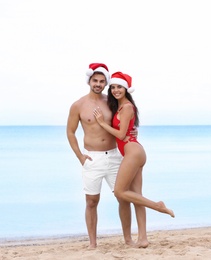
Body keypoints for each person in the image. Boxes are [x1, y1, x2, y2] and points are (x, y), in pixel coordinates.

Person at [93, 71, 175, 248]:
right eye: (113, 87)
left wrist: (102, 124)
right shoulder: (122, 107)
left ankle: (158, 205)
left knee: (120, 192)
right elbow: (127, 129)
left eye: (119, 87)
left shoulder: (127, 107)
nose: (115, 90)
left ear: (126, 89)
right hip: (134, 151)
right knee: (136, 197)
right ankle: (143, 239)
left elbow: (122, 135)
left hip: (133, 153)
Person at [66, 63, 135, 249]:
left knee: (123, 198)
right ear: (89, 80)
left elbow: (125, 119)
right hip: (92, 158)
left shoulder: (111, 102)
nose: (98, 83)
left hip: (114, 156)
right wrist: (80, 156)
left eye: (102, 81)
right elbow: (70, 132)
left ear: (106, 83)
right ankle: (92, 243)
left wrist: (132, 132)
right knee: (91, 201)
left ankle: (128, 240)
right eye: (95, 80)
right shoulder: (78, 105)